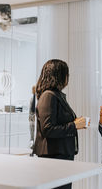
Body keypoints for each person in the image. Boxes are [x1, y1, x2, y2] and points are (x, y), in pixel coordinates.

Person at [33, 59, 89, 189]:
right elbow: (48, 129)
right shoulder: (49, 95)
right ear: (59, 75)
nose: (68, 78)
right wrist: (74, 125)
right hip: (54, 157)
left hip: (60, 155)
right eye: (66, 74)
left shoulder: (56, 95)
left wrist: (76, 123)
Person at [28, 85, 36, 153]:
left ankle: (34, 146)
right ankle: (32, 145)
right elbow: (30, 110)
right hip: (32, 120)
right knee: (31, 133)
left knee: (34, 133)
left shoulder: (38, 99)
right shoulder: (32, 99)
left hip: (34, 120)